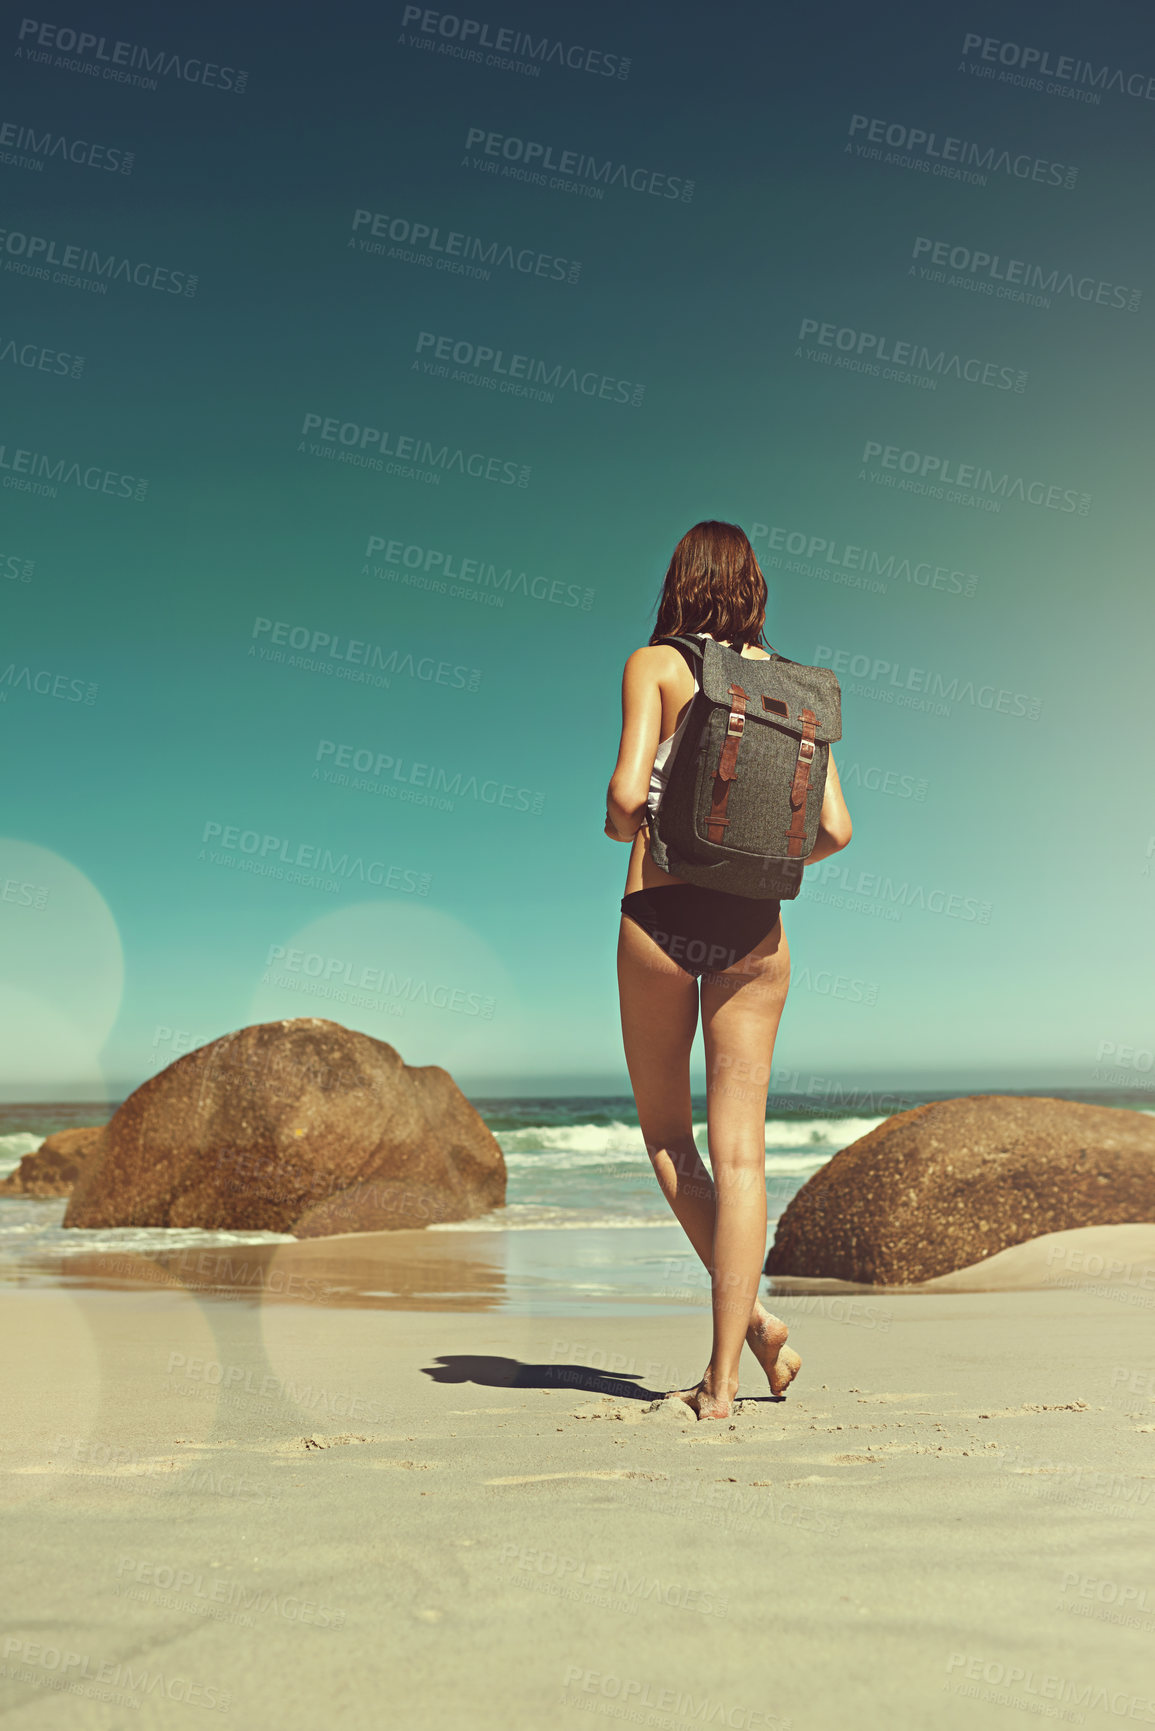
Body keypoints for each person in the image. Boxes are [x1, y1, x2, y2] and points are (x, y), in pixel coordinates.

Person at [604, 521, 853, 1421]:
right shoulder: (795, 689)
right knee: (742, 1150)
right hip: (755, 927)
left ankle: (756, 1323)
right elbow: (834, 831)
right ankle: (723, 1381)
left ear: (680, 582)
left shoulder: (656, 664)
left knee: (673, 1140)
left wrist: (639, 829)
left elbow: (628, 799)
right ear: (752, 590)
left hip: (662, 917)